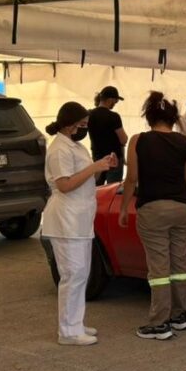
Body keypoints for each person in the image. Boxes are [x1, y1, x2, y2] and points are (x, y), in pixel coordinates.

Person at [119, 92, 186, 341]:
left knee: (159, 268)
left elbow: (132, 179)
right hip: (182, 209)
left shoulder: (138, 141)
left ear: (149, 117)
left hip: (153, 208)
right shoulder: (185, 143)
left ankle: (159, 323)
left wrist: (123, 208)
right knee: (179, 264)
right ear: (173, 119)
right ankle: (179, 316)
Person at [42, 102, 118, 346]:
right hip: (66, 220)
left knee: (81, 274)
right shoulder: (58, 150)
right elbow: (64, 184)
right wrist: (94, 167)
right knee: (72, 275)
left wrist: (103, 165)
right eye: (82, 125)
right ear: (70, 124)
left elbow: (85, 177)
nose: (85, 129)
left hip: (80, 219)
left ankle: (75, 322)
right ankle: (68, 331)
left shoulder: (75, 146)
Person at [88, 86, 127, 184]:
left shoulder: (89, 115)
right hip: (114, 160)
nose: (115, 104)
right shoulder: (114, 116)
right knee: (112, 190)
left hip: (97, 158)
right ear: (110, 100)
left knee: (96, 189)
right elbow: (123, 140)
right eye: (116, 101)